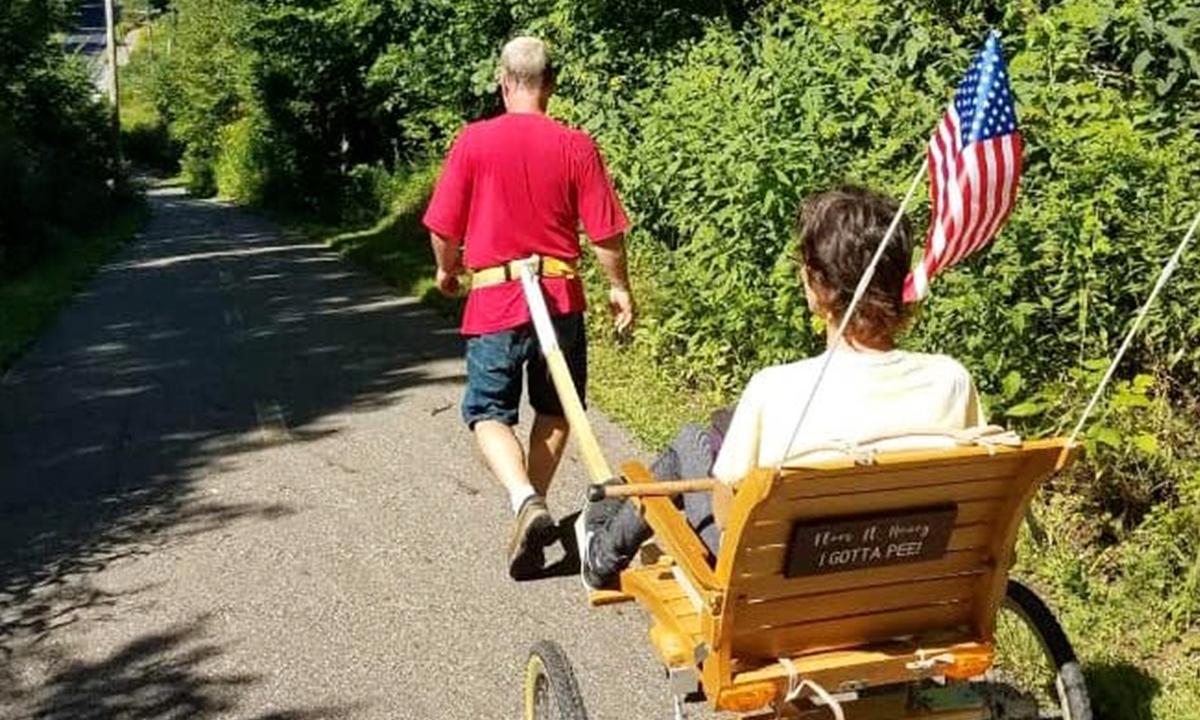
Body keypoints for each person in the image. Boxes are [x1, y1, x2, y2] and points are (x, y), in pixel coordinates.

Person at [577, 186, 986, 589]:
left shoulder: (777, 390)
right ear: (900, 281)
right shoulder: (951, 379)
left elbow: (725, 516)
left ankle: (602, 553)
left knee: (692, 440)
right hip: (911, 582)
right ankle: (609, 519)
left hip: (783, 590)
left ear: (816, 284)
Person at [423, 36, 634, 580]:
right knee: (558, 409)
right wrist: (620, 288)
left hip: (495, 299)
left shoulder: (474, 141)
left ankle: (524, 502)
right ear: (552, 83)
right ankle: (531, 503)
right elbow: (605, 233)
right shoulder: (576, 144)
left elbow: (444, 227)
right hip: (559, 297)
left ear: (503, 81)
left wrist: (446, 270)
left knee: (487, 412)